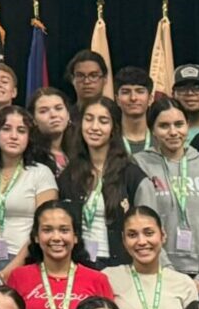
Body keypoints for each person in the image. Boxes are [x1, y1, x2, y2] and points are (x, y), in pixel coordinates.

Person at [5, 201, 110, 309]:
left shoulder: (97, 280)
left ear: (75, 237)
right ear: (36, 237)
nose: (56, 237)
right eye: (47, 230)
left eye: (64, 230)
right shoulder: (19, 277)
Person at [134, 98, 199, 292]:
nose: (173, 132)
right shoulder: (139, 165)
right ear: (152, 130)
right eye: (164, 126)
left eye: (179, 124)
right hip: (157, 272)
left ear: (188, 125)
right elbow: (143, 223)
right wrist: (168, 273)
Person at [58, 97, 146, 271]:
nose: (94, 127)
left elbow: (146, 225)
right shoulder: (69, 175)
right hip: (78, 266)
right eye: (89, 119)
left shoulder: (131, 175)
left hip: (121, 267)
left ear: (114, 128)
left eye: (103, 121)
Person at [0, 103, 56, 271]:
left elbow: (45, 225)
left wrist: (10, 270)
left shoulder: (41, 173)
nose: (13, 136)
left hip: (28, 258)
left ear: (29, 137)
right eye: (6, 129)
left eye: (21, 131)